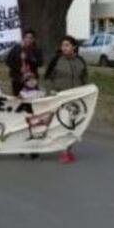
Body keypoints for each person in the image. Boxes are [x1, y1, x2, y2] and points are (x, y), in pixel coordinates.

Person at [43, 35, 89, 165]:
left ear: (74, 47)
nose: (64, 48)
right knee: (58, 124)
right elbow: (47, 78)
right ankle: (59, 150)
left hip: (75, 99)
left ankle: (67, 150)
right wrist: (50, 91)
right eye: (63, 45)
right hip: (59, 98)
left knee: (72, 125)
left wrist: (86, 92)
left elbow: (85, 79)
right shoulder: (56, 60)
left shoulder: (80, 61)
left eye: (67, 45)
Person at [5, 30, 45, 96]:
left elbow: (40, 63)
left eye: (31, 38)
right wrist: (18, 68)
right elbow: (8, 61)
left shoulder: (36, 50)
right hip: (18, 78)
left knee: (31, 97)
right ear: (23, 38)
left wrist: (29, 57)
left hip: (31, 79)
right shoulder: (16, 48)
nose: (28, 40)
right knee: (18, 97)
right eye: (27, 37)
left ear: (33, 39)